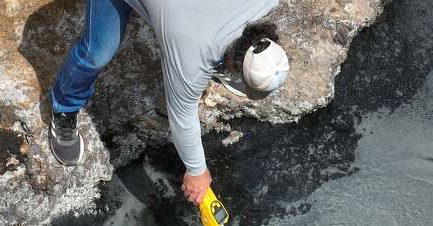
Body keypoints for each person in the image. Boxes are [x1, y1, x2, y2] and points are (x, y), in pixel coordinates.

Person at [47, 0, 289, 204]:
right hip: (185, 26)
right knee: (97, 52)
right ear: (234, 62)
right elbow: (182, 117)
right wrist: (196, 171)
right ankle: (64, 105)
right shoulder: (191, 51)